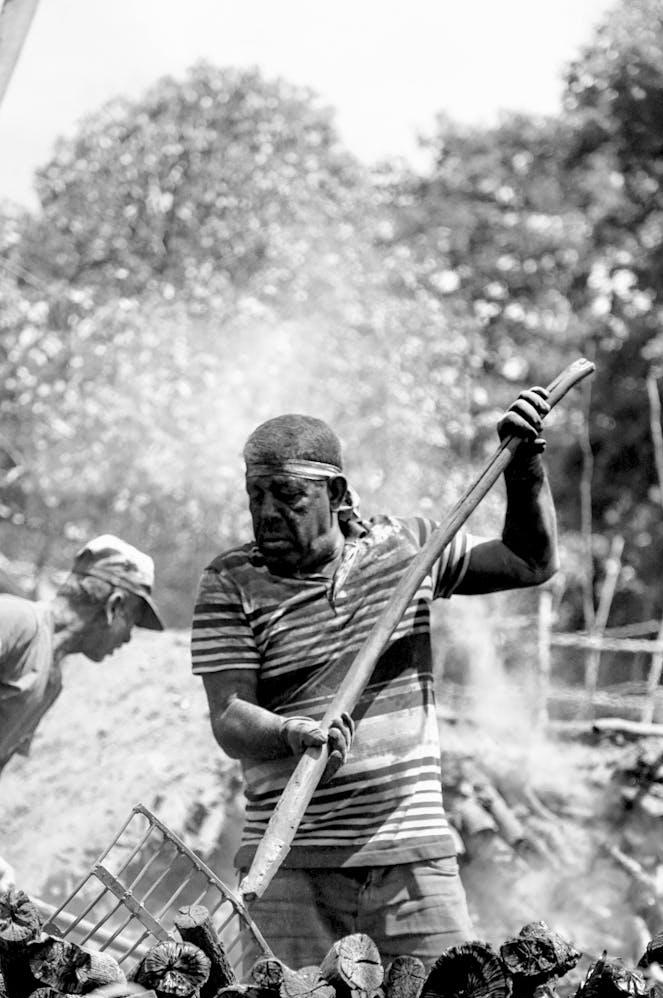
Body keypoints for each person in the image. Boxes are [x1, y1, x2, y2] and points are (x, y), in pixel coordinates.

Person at [191, 390, 557, 968]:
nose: (266, 513)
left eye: (287, 495)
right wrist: (292, 733)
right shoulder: (231, 581)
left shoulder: (408, 549)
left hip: (413, 865)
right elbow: (229, 714)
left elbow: (529, 562)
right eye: (255, 495)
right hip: (289, 871)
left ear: (336, 494)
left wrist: (527, 468)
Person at [0, 534, 164, 903]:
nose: (130, 637)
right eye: (134, 619)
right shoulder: (16, 621)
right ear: (114, 606)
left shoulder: (50, 682)